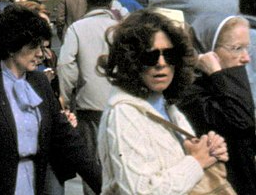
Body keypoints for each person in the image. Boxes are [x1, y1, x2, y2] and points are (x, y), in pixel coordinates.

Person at [0, 4, 102, 195]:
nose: (40, 54)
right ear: (12, 47)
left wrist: (104, 185)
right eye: (33, 47)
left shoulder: (40, 83)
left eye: (41, 47)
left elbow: (67, 139)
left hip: (35, 184)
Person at [97, 10, 229, 194]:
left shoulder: (166, 106)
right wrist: (197, 162)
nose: (161, 63)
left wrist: (209, 150)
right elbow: (140, 191)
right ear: (131, 62)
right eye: (149, 57)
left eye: (169, 55)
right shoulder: (123, 114)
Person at [180, 15, 256, 194]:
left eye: (246, 49)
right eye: (236, 49)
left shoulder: (225, 82)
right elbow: (242, 121)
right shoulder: (191, 91)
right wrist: (216, 72)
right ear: (208, 50)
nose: (246, 58)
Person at [57, 0, 117, 195]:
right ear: (110, 3)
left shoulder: (77, 28)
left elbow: (65, 64)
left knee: (90, 161)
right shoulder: (120, 28)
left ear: (87, 2)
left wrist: (65, 95)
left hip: (88, 103)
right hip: (119, 102)